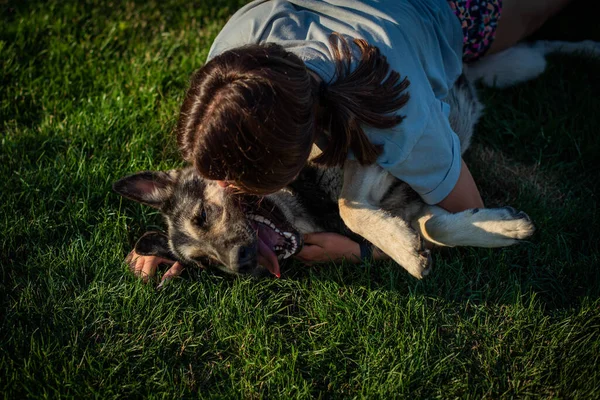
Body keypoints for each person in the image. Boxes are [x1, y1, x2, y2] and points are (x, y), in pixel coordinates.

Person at [128, 0, 572, 279]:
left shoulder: (395, 119)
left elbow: (471, 210)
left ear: (302, 152)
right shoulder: (233, 60)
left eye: (238, 177)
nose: (224, 183)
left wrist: (362, 246)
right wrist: (182, 248)